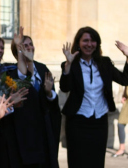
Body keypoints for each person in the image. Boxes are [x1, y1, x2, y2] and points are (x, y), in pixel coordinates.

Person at [0, 26, 61, 168]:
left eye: (29, 44)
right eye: (23, 46)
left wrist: (48, 92)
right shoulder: (7, 71)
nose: (28, 48)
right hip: (17, 127)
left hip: (40, 126)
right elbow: (23, 81)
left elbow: (51, 97)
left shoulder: (42, 68)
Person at [60, 26, 128, 168]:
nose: (89, 44)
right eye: (85, 40)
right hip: (77, 122)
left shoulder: (105, 63)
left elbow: (124, 80)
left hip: (99, 122)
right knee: (77, 161)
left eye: (93, 41)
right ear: (78, 43)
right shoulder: (71, 63)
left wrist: (127, 56)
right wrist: (68, 65)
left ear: (97, 44)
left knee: (96, 162)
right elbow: (64, 87)